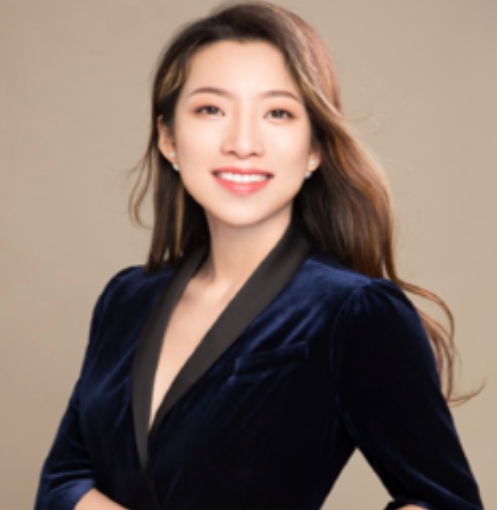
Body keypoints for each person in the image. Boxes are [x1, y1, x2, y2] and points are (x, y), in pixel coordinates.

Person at [33, 2, 485, 510]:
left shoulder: (353, 311)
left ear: (314, 148)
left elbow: (445, 502)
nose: (243, 143)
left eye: (278, 113)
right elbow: (62, 481)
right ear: (168, 138)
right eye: (211, 109)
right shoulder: (126, 298)